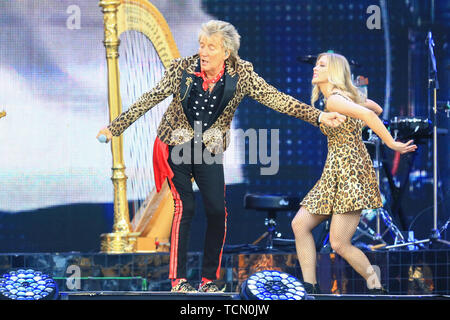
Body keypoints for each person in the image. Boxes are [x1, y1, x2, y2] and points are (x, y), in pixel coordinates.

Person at [97, 20, 346, 293]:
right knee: (186, 207)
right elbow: (150, 98)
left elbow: (278, 99)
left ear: (226, 52)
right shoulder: (183, 69)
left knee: (217, 211)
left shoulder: (242, 75)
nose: (203, 51)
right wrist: (115, 127)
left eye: (211, 47)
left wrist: (319, 115)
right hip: (176, 145)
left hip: (208, 148)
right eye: (202, 45)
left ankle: (208, 280)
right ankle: (178, 280)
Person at [291, 52, 417, 295]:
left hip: (349, 172)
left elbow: (372, 114)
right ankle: (310, 288)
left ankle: (376, 287)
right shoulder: (341, 98)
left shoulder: (335, 101)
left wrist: (391, 143)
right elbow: (376, 107)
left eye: (322, 65)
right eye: (316, 64)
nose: (315, 68)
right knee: (301, 224)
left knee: (338, 242)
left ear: (334, 72)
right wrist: (356, 98)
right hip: (336, 171)